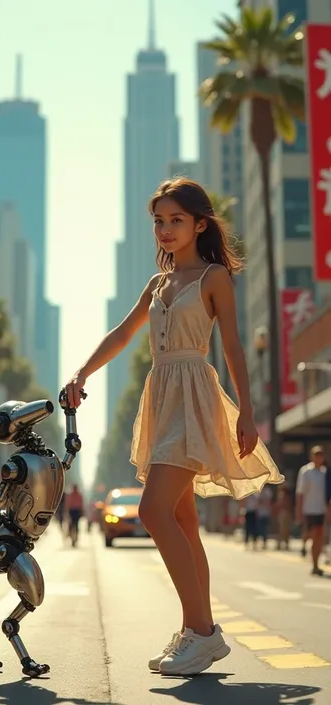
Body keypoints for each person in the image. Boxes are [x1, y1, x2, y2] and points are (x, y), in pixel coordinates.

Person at [64, 178, 284, 676]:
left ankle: (203, 633)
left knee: (152, 510)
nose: (165, 229)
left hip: (194, 396)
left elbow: (232, 348)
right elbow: (123, 333)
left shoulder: (213, 279)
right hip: (161, 394)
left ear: (199, 224)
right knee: (183, 522)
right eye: (159, 221)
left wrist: (246, 411)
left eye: (175, 220)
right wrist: (82, 372)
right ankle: (196, 630)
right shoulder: (158, 284)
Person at [295, 446, 328, 576]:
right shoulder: (306, 471)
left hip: (322, 510)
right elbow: (300, 493)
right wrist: (298, 511)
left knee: (320, 538)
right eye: (316, 455)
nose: (318, 457)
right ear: (312, 456)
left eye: (320, 455)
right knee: (313, 536)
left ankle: (316, 563)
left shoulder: (325, 473)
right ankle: (314, 564)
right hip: (309, 509)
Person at [274, 484, 292, 551]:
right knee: (283, 530)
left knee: (284, 530)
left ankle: (283, 544)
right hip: (284, 513)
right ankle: (281, 544)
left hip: (284, 513)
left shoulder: (284, 495)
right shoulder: (283, 495)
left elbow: (281, 504)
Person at [257, 484, 273, 549]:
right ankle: (260, 541)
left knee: (265, 528)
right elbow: (258, 502)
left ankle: (264, 542)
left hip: (266, 513)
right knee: (260, 528)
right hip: (260, 513)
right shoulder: (259, 492)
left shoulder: (268, 492)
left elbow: (268, 502)